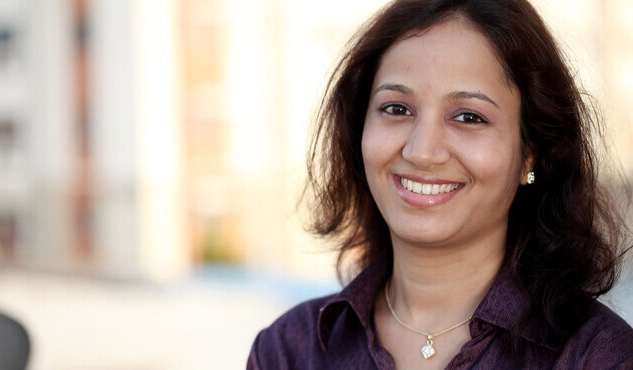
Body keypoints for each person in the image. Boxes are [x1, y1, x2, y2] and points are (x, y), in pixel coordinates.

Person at [247, 0, 633, 369]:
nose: (421, 151)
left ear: (530, 154)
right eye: (396, 109)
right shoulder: (288, 351)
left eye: (468, 117)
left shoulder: (597, 357)